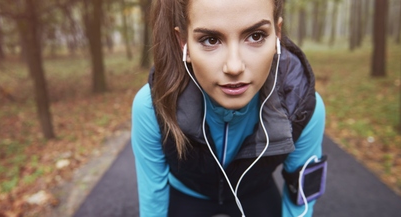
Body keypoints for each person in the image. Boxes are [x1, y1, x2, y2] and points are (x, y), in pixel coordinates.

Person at [131, 0, 327, 216]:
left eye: (256, 36)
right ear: (183, 44)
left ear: (277, 37)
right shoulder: (152, 106)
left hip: (254, 192)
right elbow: (152, 202)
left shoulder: (301, 108)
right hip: (187, 193)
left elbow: (300, 200)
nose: (234, 67)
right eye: (211, 39)